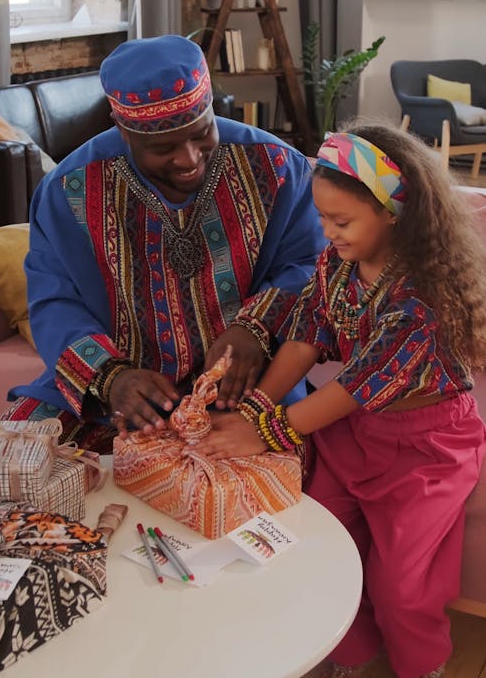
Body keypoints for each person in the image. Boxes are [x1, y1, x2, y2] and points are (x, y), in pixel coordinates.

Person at [194, 120, 486, 678]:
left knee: (402, 584)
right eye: (322, 218)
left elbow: (356, 386)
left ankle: (422, 667)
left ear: (395, 212)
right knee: (324, 550)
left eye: (341, 220)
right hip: (352, 438)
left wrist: (264, 431)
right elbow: (306, 337)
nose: (327, 232)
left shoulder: (423, 299)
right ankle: (348, 656)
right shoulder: (338, 263)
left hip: (426, 451)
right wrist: (254, 406)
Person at [1, 35, 325, 452]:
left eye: (202, 133)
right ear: (124, 131)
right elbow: (54, 299)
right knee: (16, 460)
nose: (189, 158)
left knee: (261, 486)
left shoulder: (277, 168)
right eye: (163, 147)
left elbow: (308, 264)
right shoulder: (68, 191)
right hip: (110, 396)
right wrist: (111, 377)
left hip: (243, 382)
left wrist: (254, 330)